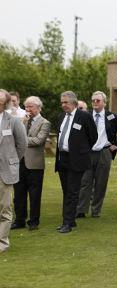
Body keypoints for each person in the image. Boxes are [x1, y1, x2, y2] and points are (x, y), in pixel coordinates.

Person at [76, 91, 117, 218]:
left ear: (104, 102)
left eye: (98, 100)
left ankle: (96, 210)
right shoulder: (85, 116)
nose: (95, 102)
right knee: (85, 182)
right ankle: (81, 210)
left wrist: (116, 145)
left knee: (100, 183)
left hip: (104, 153)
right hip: (88, 153)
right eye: (93, 100)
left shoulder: (111, 116)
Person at [55, 91, 98, 233]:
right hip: (62, 158)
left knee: (72, 192)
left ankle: (67, 223)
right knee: (66, 190)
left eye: (65, 102)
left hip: (76, 159)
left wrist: (82, 150)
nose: (63, 105)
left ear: (73, 102)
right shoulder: (61, 117)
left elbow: (93, 136)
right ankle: (70, 220)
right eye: (62, 102)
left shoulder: (84, 116)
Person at [12, 96, 50, 231]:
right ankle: (19, 220)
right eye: (26, 106)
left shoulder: (44, 123)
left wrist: (21, 139)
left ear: (38, 107)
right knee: (18, 193)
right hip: (19, 162)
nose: (27, 109)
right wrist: (22, 123)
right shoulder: (22, 121)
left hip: (35, 164)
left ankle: (34, 221)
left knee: (34, 194)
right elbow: (14, 135)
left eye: (30, 107)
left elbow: (39, 141)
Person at [0, 89, 27, 252]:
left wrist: (12, 161)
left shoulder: (14, 121)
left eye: (1, 101)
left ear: (6, 103)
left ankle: (2, 242)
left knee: (4, 208)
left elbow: (22, 145)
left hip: (5, 172)